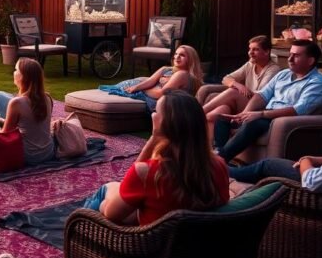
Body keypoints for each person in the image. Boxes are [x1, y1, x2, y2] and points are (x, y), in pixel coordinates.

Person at [83, 89, 229, 224]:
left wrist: (154, 136)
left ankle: (80, 230)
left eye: (156, 111)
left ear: (167, 123)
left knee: (104, 192)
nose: (153, 114)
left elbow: (111, 214)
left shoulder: (148, 173)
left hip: (150, 248)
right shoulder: (219, 166)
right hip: (193, 245)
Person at [214, 39, 322, 162]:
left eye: (296, 56)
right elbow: (262, 96)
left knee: (253, 123)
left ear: (310, 61)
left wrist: (261, 114)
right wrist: (244, 114)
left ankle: (219, 160)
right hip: (266, 114)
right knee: (222, 118)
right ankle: (223, 161)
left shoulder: (317, 84)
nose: (289, 59)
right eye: (290, 54)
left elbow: (297, 111)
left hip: (284, 121)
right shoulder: (284, 74)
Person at [0, 58, 56, 165]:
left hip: (28, 156)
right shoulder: (48, 98)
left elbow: (5, 135)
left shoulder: (16, 103)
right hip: (48, 153)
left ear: (24, 77)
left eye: (16, 70)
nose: (13, 72)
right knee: (0, 113)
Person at [98, 45, 204, 111]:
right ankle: (114, 88)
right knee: (137, 81)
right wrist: (140, 86)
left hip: (158, 100)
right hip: (153, 90)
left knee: (129, 86)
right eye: (176, 54)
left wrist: (140, 88)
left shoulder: (183, 75)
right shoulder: (166, 69)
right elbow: (151, 80)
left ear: (191, 60)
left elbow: (161, 93)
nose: (177, 57)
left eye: (182, 55)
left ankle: (117, 88)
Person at [202, 35, 281, 125]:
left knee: (232, 92)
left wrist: (238, 90)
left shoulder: (273, 69)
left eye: (255, 49)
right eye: (250, 49)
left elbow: (260, 95)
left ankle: (197, 112)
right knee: (213, 114)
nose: (250, 53)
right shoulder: (250, 65)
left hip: (258, 107)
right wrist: (239, 86)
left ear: (266, 51)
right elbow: (226, 79)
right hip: (245, 101)